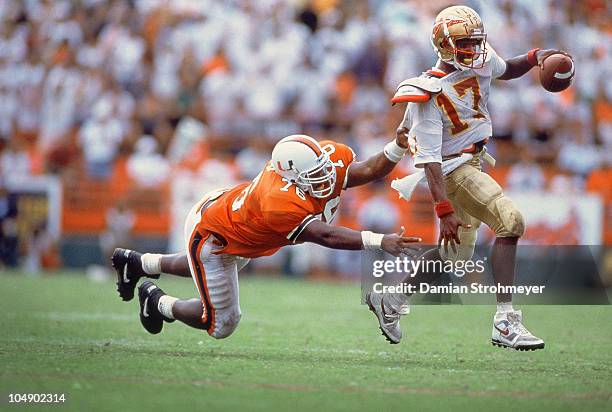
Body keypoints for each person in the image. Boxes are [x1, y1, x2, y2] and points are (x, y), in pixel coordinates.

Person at [367, 5, 569, 350]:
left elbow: (507, 68)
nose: (474, 50)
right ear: (444, 45)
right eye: (465, 44)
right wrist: (443, 210)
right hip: (449, 170)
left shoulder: (481, 58)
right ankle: (505, 321)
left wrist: (536, 57)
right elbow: (429, 160)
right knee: (511, 221)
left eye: (476, 42)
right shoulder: (428, 93)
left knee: (455, 256)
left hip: (472, 163)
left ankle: (393, 295)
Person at [112, 131, 421, 339]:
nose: (327, 178)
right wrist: (381, 241)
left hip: (235, 220)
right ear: (290, 176)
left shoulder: (317, 162)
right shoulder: (278, 201)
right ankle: (158, 301)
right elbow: (325, 236)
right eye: (315, 176)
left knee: (218, 266)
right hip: (214, 235)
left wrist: (397, 146)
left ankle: (139, 263)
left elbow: (366, 170)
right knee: (221, 323)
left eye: (324, 169)